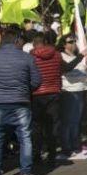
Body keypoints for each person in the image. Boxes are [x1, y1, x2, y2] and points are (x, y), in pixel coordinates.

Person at [0, 26, 42, 175]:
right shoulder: (26, 58)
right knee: (25, 137)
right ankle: (25, 174)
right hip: (21, 102)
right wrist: (25, 90)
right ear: (16, 41)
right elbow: (36, 81)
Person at [30, 31, 62, 165]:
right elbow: (61, 71)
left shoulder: (31, 57)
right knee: (52, 126)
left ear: (34, 44)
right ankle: (52, 155)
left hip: (36, 94)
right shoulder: (57, 55)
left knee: (36, 126)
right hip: (54, 93)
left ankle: (36, 154)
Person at [59, 33, 87, 158]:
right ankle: (66, 146)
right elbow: (67, 68)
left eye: (74, 41)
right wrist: (81, 56)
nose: (73, 44)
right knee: (68, 121)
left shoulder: (75, 56)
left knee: (76, 120)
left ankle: (75, 144)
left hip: (80, 90)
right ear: (64, 44)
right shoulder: (61, 56)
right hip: (69, 91)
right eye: (70, 42)